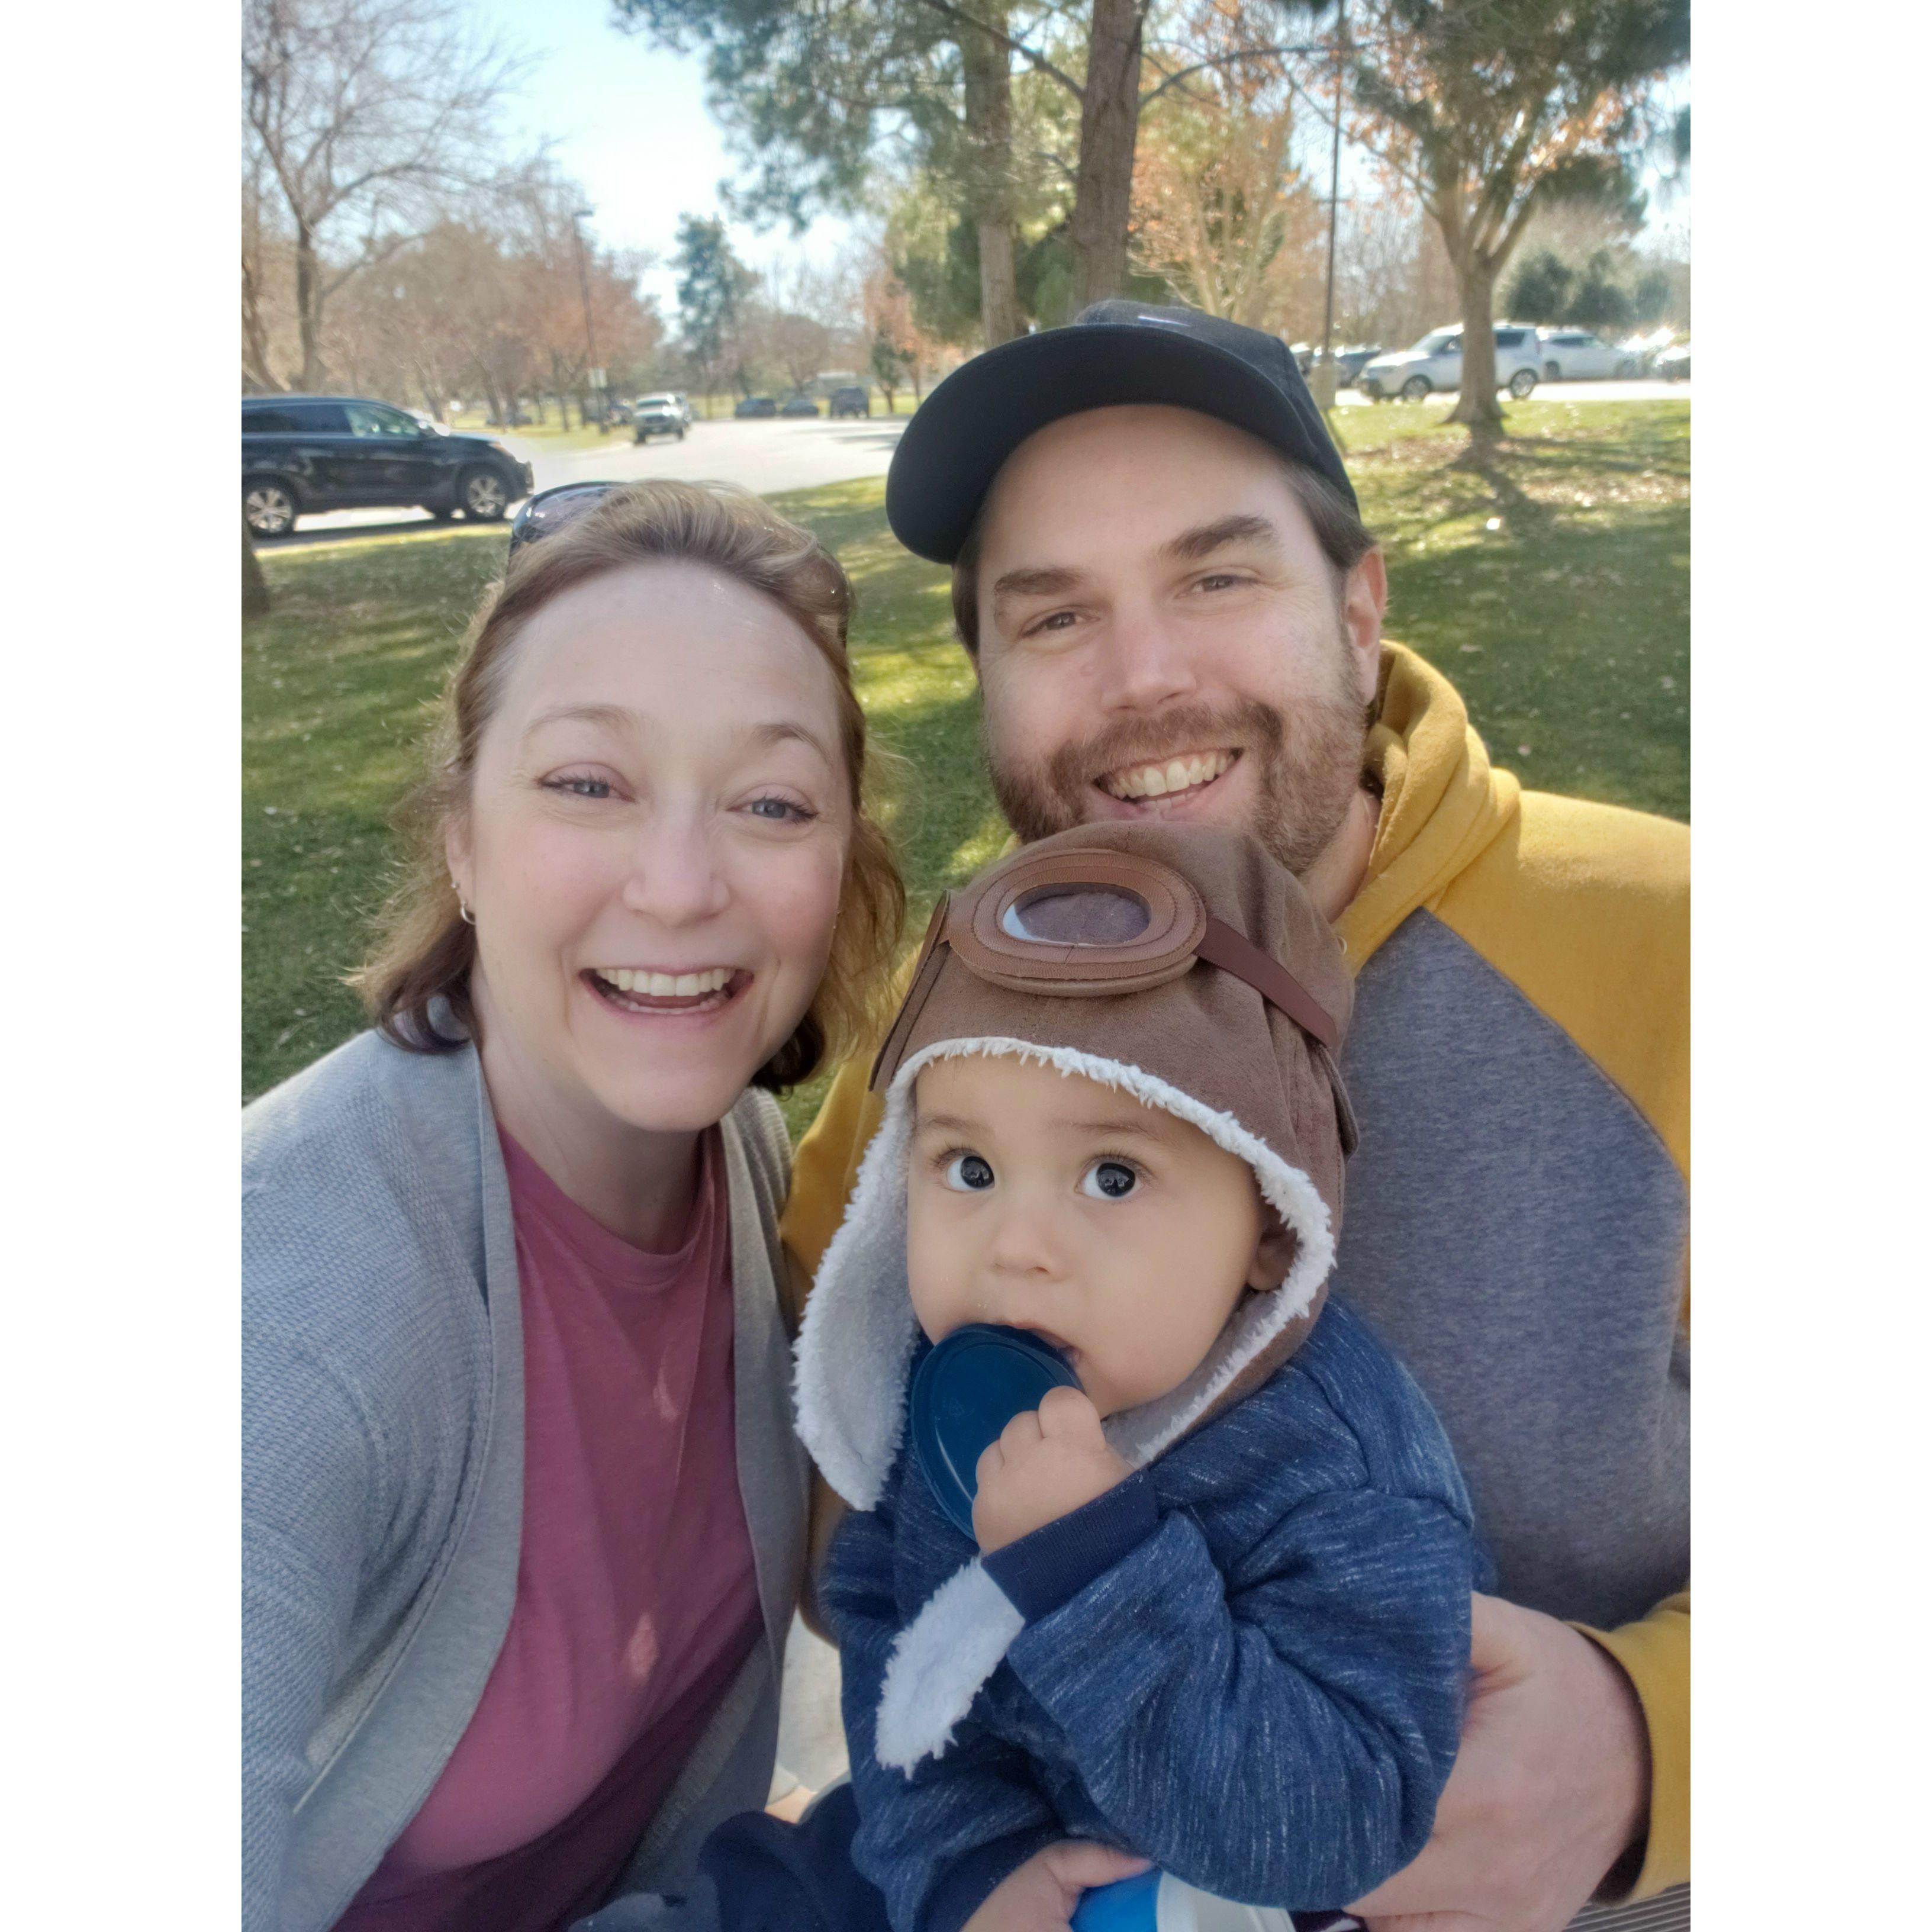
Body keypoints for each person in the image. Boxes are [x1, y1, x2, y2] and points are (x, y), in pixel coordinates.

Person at [781, 303, 1688, 1930]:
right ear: (981, 675)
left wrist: (1660, 1746)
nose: (1147, 682)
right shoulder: (948, 1054)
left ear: (1359, 602)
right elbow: (834, 1525)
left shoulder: (1691, 954)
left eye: (1217, 577)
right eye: (1053, 617)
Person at [242, 480, 903, 1932]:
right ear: (460, 839)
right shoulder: (277, 1313)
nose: (678, 886)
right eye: (589, 783)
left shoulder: (743, 1157)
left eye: (772, 802)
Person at [788, 822, 1481, 1932]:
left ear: (1269, 1226)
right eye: (969, 1168)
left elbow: (1341, 1825)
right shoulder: (960, 1395)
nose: (1017, 1244)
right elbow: (886, 1618)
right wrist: (966, 1864)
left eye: (1112, 1177)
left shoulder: (1338, 1477)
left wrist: (1094, 1576)